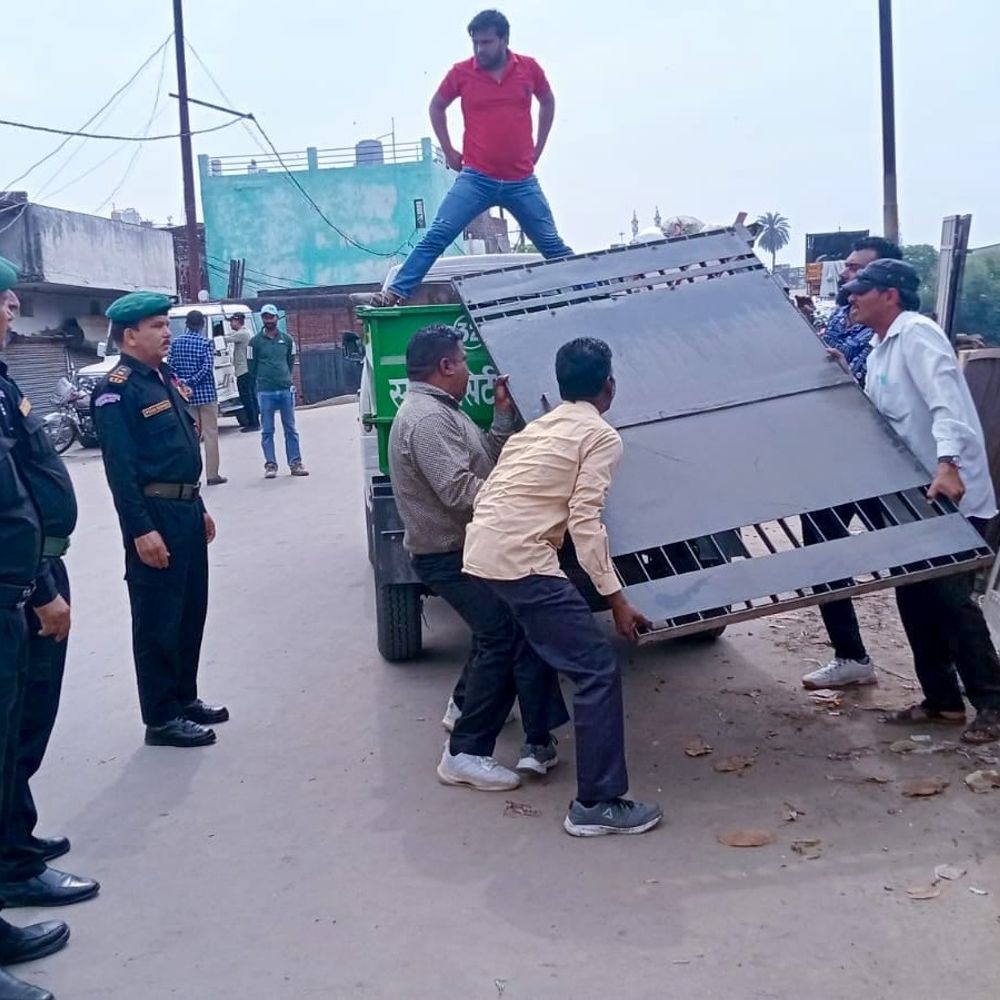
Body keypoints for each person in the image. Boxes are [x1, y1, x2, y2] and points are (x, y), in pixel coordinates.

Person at [463, 337, 662, 836]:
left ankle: (537, 744)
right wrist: (617, 599)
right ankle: (596, 803)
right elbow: (585, 519)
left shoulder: (538, 428)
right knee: (596, 668)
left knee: (535, 641)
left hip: (483, 551)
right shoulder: (601, 435)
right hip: (522, 558)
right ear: (609, 386)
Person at [388, 325, 569, 789]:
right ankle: (465, 752)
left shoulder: (444, 411)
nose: (470, 371)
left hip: (464, 548)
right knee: (503, 634)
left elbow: (483, 461)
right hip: (447, 554)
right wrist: (529, 503)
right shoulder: (427, 420)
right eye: (464, 361)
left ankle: (469, 706)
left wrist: (502, 417)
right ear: (445, 366)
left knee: (502, 627)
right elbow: (459, 490)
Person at [838, 259, 1000, 743]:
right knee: (913, 597)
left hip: (950, 493)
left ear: (890, 295)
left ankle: (992, 700)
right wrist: (845, 375)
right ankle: (943, 700)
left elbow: (946, 403)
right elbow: (886, 417)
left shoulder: (916, 335)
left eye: (860, 290)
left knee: (952, 601)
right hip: (913, 497)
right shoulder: (881, 346)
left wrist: (948, 463)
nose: (851, 298)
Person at [91, 291, 229, 748]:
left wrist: (200, 506)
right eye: (156, 326)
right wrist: (140, 530)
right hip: (154, 516)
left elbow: (180, 450)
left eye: (166, 324)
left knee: (190, 610)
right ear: (129, 336)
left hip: (185, 509)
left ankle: (184, 697)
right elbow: (120, 471)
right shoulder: (118, 388)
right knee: (157, 619)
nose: (166, 332)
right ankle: (161, 717)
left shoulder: (162, 376)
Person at [371, 9, 571, 306]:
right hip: (477, 177)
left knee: (551, 244)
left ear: (504, 40)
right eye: (475, 43)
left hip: (521, 180)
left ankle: (595, 287)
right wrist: (449, 149)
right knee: (438, 234)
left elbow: (548, 101)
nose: (480, 49)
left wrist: (538, 147)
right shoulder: (462, 73)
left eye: (486, 42)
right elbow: (436, 106)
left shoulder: (529, 69)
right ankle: (395, 292)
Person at [0, 258, 75, 1000]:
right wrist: (39, 584)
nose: (10, 311)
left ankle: (12, 865)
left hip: (21, 582)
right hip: (13, 587)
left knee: (16, 737)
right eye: (2, 301)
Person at [799, 235, 903, 691]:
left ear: (888, 285)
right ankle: (850, 655)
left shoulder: (906, 334)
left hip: (883, 463)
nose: (847, 276)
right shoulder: (843, 316)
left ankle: (961, 671)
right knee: (823, 555)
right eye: (848, 269)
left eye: (859, 271)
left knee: (918, 560)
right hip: (833, 457)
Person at [248, 305, 308, 479]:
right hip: (265, 391)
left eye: (271, 317)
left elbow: (291, 360)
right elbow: (251, 365)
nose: (269, 320)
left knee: (290, 428)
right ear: (262, 319)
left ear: (277, 318)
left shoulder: (287, 340)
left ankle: (295, 463)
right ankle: (271, 464)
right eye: (265, 317)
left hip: (284, 390)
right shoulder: (254, 342)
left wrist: (285, 378)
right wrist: (263, 378)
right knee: (267, 430)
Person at [169, 310, 226, 486]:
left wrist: (183, 384)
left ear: (186, 324)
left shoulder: (175, 343)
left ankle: (191, 476)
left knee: (190, 436)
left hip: (185, 397)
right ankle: (212, 475)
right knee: (210, 434)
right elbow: (207, 368)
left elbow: (170, 368)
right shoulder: (205, 343)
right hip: (206, 394)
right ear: (202, 324)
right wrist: (193, 382)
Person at [227, 312, 259, 432]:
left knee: (247, 397)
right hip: (248, 369)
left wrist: (213, 340)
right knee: (252, 396)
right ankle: (254, 421)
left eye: (232, 321)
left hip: (244, 370)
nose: (230, 323)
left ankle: (253, 423)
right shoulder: (247, 332)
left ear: (237, 321)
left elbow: (227, 339)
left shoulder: (242, 334)